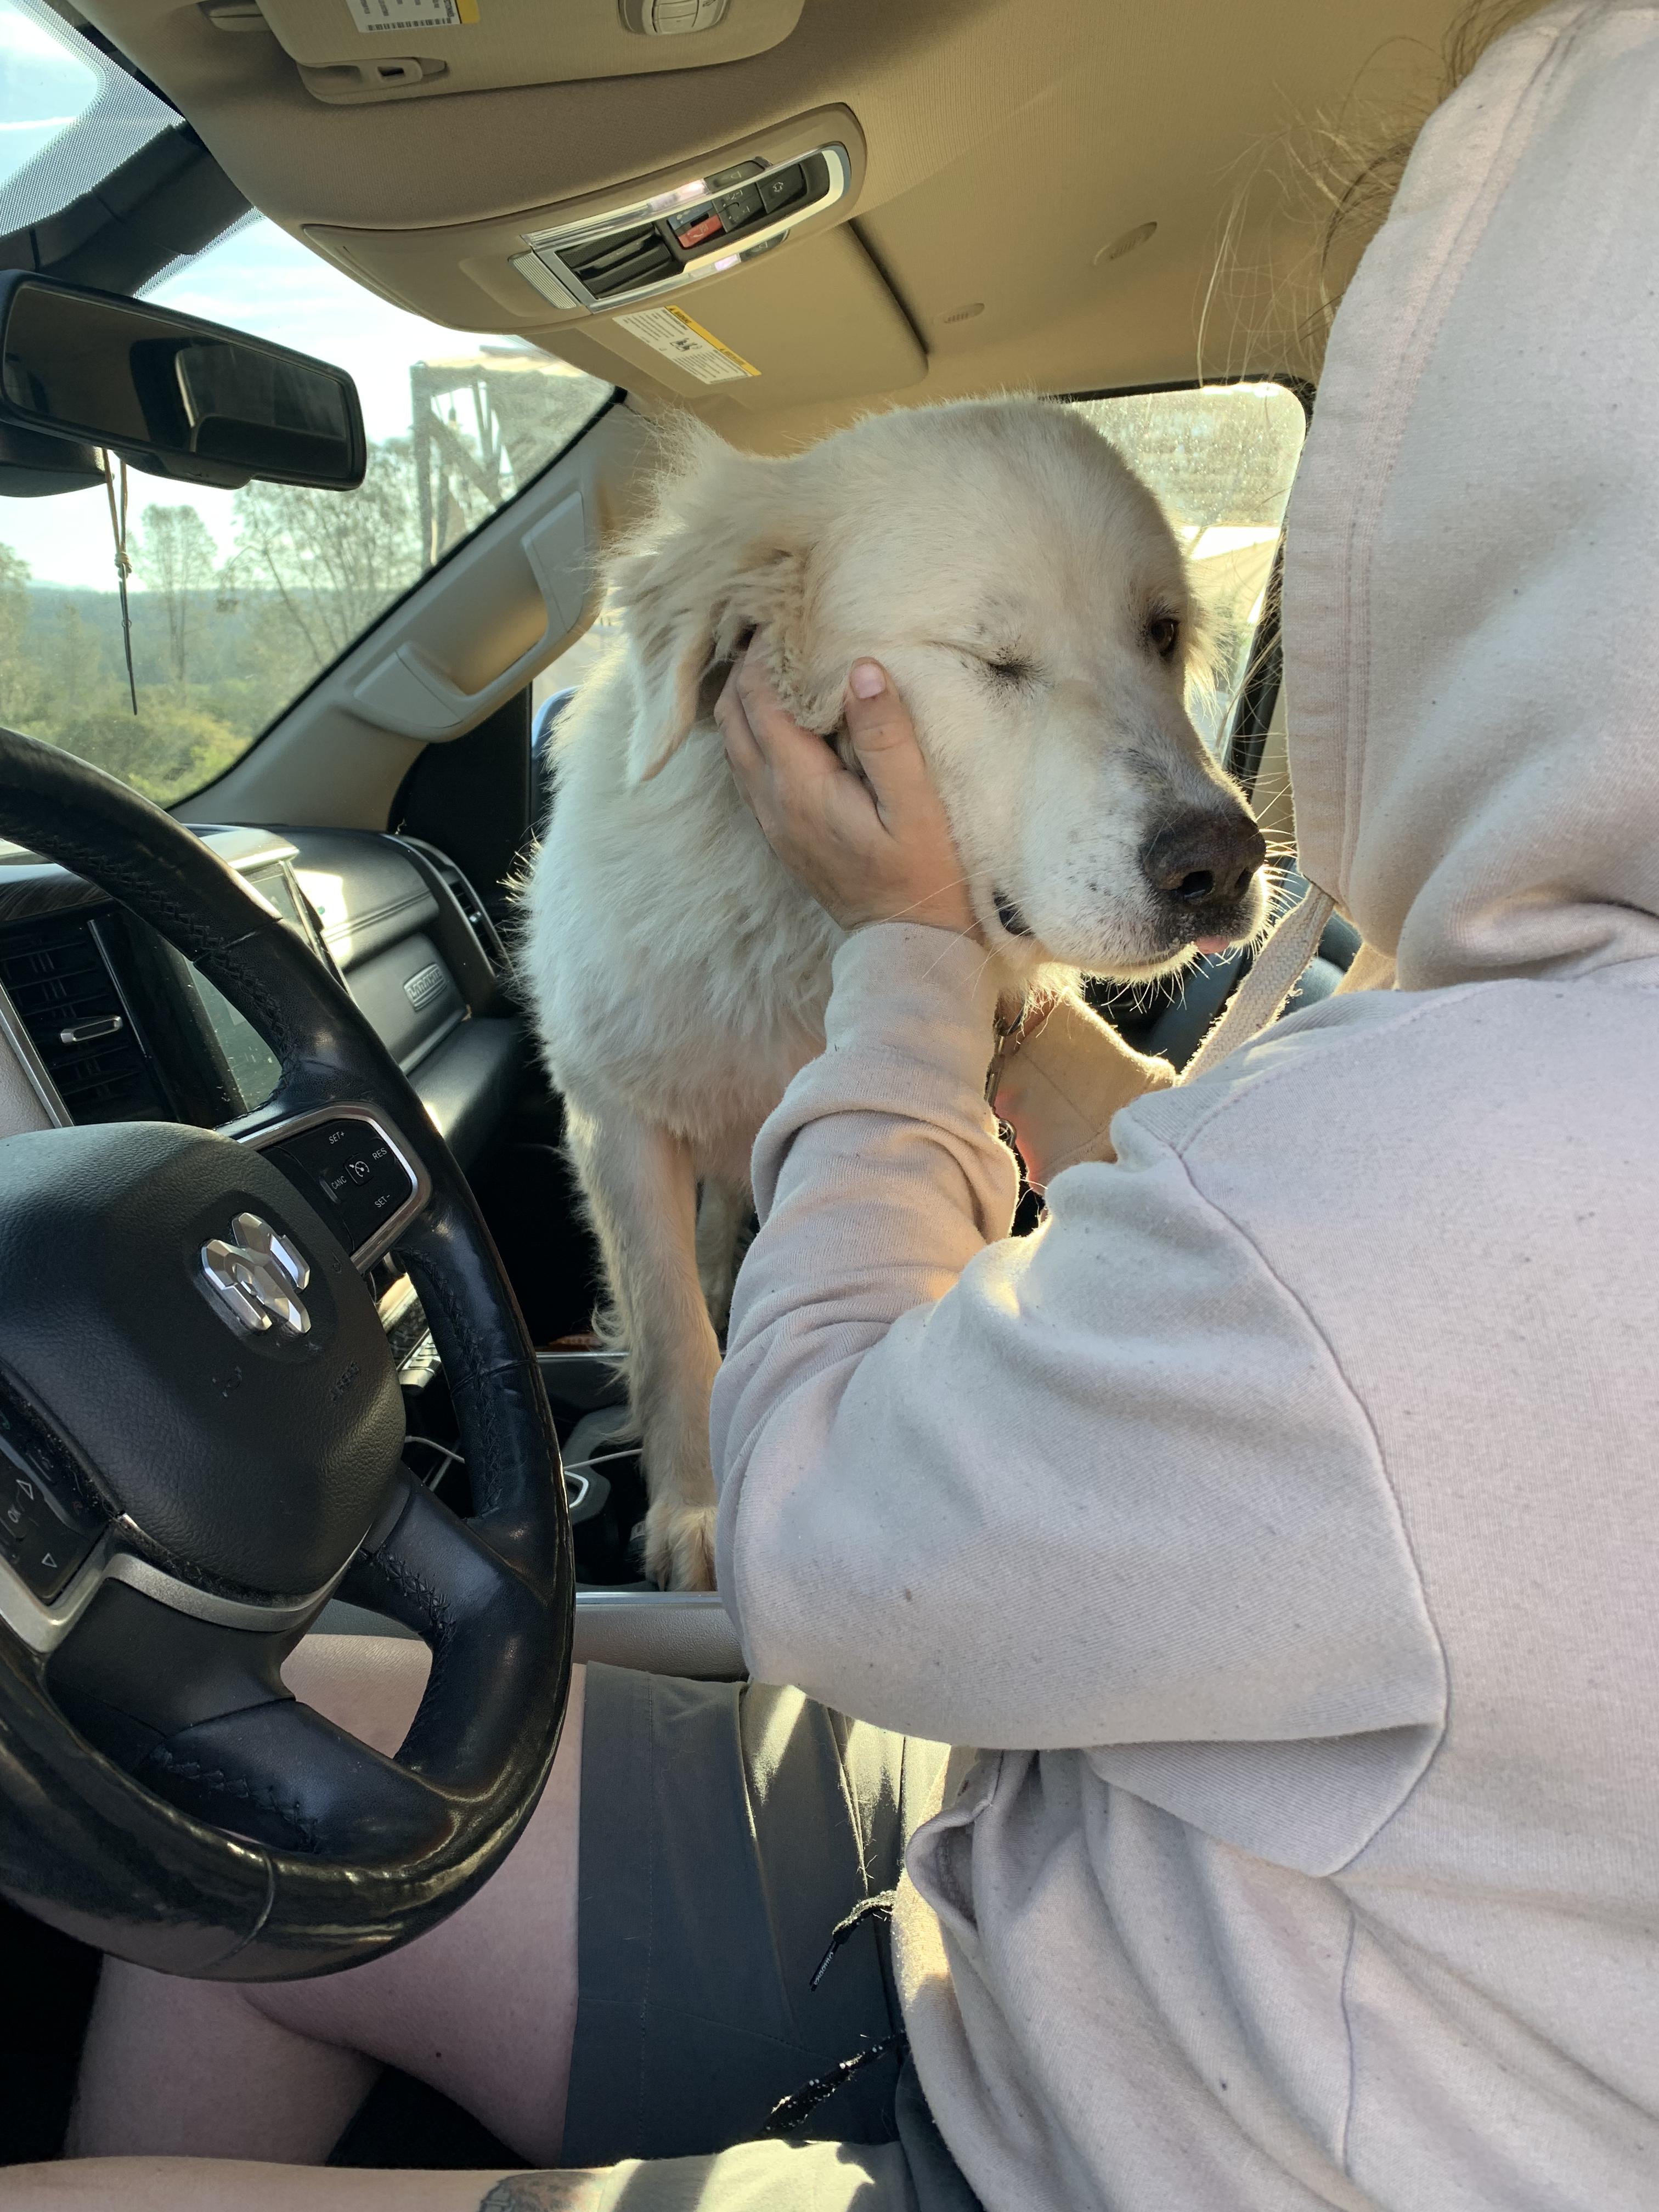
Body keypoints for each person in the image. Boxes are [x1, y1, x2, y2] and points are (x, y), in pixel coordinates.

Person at [18, 2, 1659, 2204]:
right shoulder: (1529, 1045)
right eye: (1011, 661)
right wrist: (991, 1041)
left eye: (1160, 641)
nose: (1184, 775)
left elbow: (826, 1547)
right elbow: (1210, 1246)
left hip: (1096, 2117)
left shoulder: (1510, 1167)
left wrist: (911, 962)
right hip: (1100, 1838)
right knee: (274, 1758)